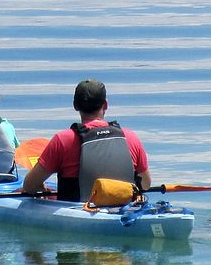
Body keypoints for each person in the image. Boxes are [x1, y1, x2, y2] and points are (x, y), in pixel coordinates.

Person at [21, 79, 151, 201]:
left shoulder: (63, 140)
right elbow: (145, 184)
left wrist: (43, 190)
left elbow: (30, 186)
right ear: (105, 104)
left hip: (79, 213)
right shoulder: (131, 137)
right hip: (125, 210)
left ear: (75, 106)